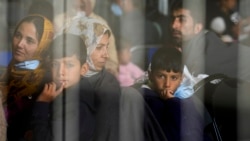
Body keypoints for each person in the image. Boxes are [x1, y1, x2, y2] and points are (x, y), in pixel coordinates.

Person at [61, 17, 121, 141]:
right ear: (83, 45)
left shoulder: (108, 87)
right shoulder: (59, 74)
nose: (106, 55)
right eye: (99, 48)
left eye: (107, 47)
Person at [0, 15, 54, 141]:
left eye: (29, 41)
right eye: (18, 35)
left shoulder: (45, 83)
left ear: (43, 46)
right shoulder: (10, 71)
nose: (20, 44)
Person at [31, 33, 92, 141]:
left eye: (69, 65)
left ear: (84, 69)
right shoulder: (61, 92)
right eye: (55, 64)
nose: (60, 72)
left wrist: (42, 104)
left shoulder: (78, 106)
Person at [139, 47, 208, 141]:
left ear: (181, 79)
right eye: (161, 76)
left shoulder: (188, 99)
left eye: (174, 78)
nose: (167, 84)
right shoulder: (148, 101)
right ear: (150, 75)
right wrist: (172, 102)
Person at [168, 0, 241, 80]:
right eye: (172, 19)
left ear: (198, 27)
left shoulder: (206, 55)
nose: (173, 25)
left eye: (182, 20)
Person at [54, 0, 119, 76]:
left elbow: (112, 61)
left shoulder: (101, 23)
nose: (81, 2)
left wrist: (107, 70)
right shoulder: (59, 21)